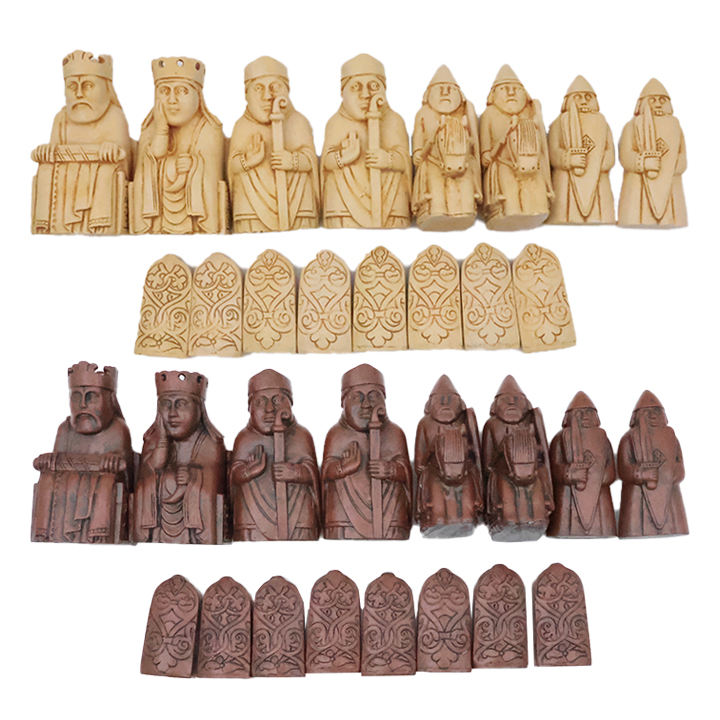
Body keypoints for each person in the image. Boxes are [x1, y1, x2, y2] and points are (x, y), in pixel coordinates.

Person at [31, 50, 133, 234]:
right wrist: (46, 151)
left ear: (106, 88)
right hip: (68, 173)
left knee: (106, 170)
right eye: (72, 86)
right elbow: (53, 152)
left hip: (99, 173)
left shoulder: (114, 117)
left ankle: (100, 223)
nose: (79, 94)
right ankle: (45, 225)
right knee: (45, 169)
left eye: (88, 86)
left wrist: (112, 150)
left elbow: (125, 162)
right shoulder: (61, 118)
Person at [32, 362, 133, 543]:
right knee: (47, 479)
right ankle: (44, 532)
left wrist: (112, 461)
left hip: (101, 482)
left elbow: (126, 472)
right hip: (67, 483)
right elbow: (56, 463)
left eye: (91, 397)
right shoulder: (65, 429)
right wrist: (49, 461)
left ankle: (99, 533)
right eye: (76, 397)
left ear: (110, 400)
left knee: (106, 481)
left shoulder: (118, 429)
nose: (83, 405)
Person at [131, 56, 226, 233]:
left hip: (195, 223)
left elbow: (210, 177)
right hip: (158, 224)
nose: (172, 99)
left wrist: (194, 165)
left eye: (182, 91)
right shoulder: (150, 128)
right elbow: (145, 170)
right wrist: (161, 130)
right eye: (164, 91)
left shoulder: (209, 130)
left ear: (198, 95)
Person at [228, 56, 319, 232]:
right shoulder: (242, 126)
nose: (268, 96)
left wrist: (293, 161)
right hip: (252, 205)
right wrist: (248, 161)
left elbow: (311, 161)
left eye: (275, 87)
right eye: (258, 88)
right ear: (246, 94)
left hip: (297, 201)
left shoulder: (298, 121)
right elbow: (232, 166)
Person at [134, 371, 225, 543]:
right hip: (159, 523)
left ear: (199, 408)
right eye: (166, 405)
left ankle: (195, 537)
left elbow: (214, 479)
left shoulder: (210, 442)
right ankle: (152, 535)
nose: (172, 413)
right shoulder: (153, 439)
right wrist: (162, 440)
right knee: (147, 484)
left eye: (181, 404)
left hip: (194, 522)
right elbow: (149, 470)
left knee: (198, 489)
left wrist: (194, 476)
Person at [322, 364, 412, 539]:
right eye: (357, 397)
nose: (366, 405)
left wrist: (391, 470)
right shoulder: (336, 434)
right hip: (344, 518)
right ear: (343, 402)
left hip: (390, 514)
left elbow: (407, 473)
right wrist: (342, 467)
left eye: (373, 396)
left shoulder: (394, 433)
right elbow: (325, 475)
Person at [321, 54, 411, 228]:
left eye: (374, 86)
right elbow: (325, 163)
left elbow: (405, 161)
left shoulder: (394, 120)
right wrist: (342, 158)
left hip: (389, 196)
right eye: (356, 87)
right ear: (342, 92)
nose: (366, 95)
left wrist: (388, 159)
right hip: (344, 201)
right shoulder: (336, 123)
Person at [230, 370, 320, 540]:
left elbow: (314, 475)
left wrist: (297, 472)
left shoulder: (301, 435)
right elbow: (232, 477)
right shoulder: (244, 438)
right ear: (250, 408)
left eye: (277, 400)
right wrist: (249, 471)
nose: (270, 409)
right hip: (252, 519)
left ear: (290, 404)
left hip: (298, 517)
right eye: (261, 402)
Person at [479, 65, 552, 230]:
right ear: (493, 95)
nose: (511, 93)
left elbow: (541, 145)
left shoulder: (530, 113)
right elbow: (485, 148)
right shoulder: (489, 114)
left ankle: (535, 208)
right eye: (504, 89)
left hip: (534, 167)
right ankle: (505, 209)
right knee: (510, 197)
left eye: (516, 89)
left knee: (536, 197)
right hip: (503, 165)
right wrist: (486, 154)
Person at [481, 375, 553, 541]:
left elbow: (541, 454)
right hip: (503, 473)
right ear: (495, 406)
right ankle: (506, 517)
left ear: (526, 404)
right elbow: (487, 461)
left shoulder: (531, 423)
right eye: (506, 401)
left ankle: (539, 513)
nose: (511, 404)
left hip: (532, 470)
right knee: (504, 490)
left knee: (539, 479)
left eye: (516, 400)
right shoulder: (492, 425)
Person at [411, 65, 481, 230]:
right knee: (436, 193)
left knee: (465, 186)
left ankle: (464, 209)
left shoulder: (464, 113)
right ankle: (435, 210)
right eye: (440, 89)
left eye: (450, 89)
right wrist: (418, 152)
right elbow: (418, 140)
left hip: (463, 164)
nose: (445, 93)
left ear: (460, 95)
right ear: (428, 95)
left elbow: (473, 142)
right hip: (433, 163)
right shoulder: (423, 114)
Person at [414, 375, 483, 537]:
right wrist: (431, 455)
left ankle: (467, 515)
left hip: (463, 469)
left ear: (460, 405)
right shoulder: (425, 424)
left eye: (450, 401)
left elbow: (475, 455)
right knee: (434, 485)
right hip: (434, 470)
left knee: (469, 481)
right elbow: (420, 461)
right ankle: (436, 517)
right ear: (429, 405)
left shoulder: (464, 422)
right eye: (440, 401)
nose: (445, 404)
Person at [617, 79, 687, 227]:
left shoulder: (675, 127)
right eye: (652, 100)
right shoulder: (631, 126)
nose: (658, 104)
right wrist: (642, 162)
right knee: (638, 207)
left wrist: (669, 167)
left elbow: (682, 157)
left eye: (662, 100)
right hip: (638, 191)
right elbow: (625, 155)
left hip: (669, 188)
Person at [617, 391, 688, 536]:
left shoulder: (672, 438)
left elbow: (680, 466)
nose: (653, 415)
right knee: (636, 518)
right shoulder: (628, 439)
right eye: (647, 412)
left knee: (673, 518)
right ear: (637, 416)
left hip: (669, 495)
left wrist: (670, 474)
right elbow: (622, 469)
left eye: (656, 411)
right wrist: (641, 474)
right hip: (638, 496)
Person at [547, 76, 615, 224]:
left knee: (599, 204)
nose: (584, 101)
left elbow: (610, 151)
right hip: (566, 183)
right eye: (578, 97)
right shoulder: (559, 123)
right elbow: (552, 152)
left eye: (588, 97)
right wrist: (568, 159)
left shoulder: (602, 123)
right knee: (565, 205)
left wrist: (598, 163)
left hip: (597, 180)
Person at [547, 391, 616, 537]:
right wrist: (570, 474)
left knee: (602, 519)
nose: (585, 416)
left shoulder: (603, 439)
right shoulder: (559, 439)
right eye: (579, 413)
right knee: (566, 517)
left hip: (599, 496)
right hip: (568, 496)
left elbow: (611, 469)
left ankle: (602, 529)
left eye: (589, 413)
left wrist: (599, 477)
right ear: (569, 417)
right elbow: (552, 469)